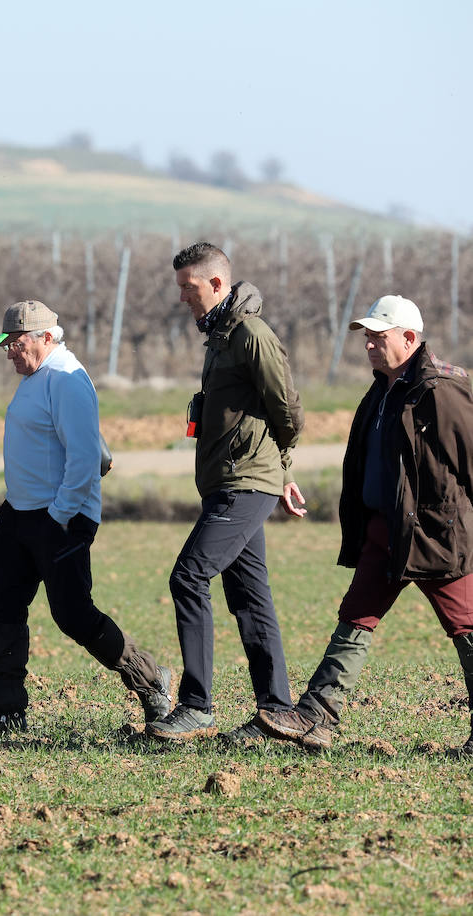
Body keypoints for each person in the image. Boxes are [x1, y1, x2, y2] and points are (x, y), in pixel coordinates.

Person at [258, 297, 473, 753]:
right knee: (355, 620)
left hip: (436, 533)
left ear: (409, 339)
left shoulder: (443, 391)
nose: (370, 345)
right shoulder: (381, 391)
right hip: (386, 531)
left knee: (466, 627)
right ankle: (316, 716)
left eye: (379, 336)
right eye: (367, 337)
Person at [0, 301, 171, 733]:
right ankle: (6, 711)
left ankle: (151, 680)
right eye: (5, 345)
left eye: (16, 344)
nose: (9, 353)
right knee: (0, 601)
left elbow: (84, 459)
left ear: (45, 336)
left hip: (60, 517)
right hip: (20, 512)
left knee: (72, 614)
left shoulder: (65, 379)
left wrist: (59, 514)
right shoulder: (38, 375)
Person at [146, 242, 307, 744]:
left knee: (188, 576)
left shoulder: (251, 334)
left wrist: (278, 472)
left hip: (245, 483)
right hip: (229, 483)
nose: (182, 299)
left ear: (217, 284)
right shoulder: (220, 338)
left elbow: (289, 410)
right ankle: (277, 711)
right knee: (249, 597)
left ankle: (196, 706)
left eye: (188, 288)